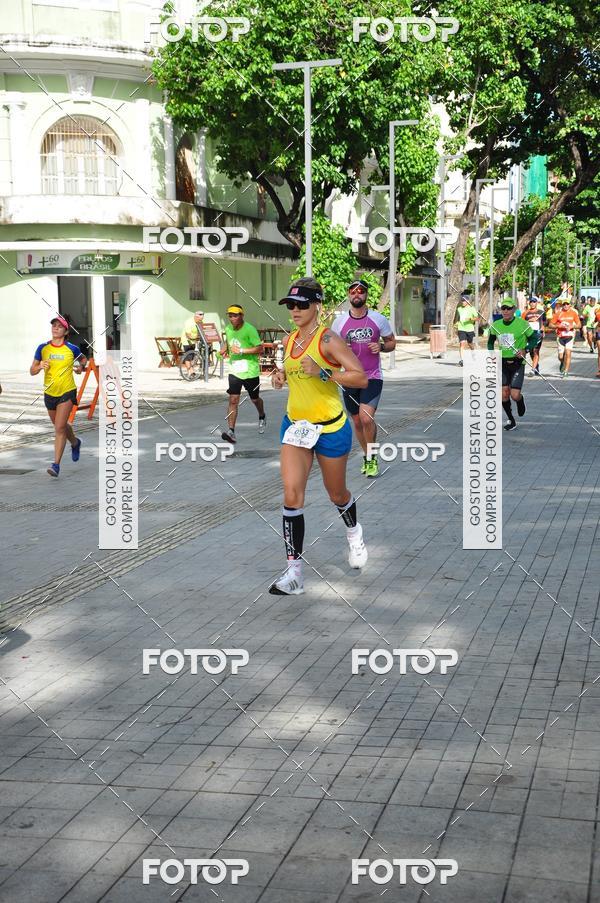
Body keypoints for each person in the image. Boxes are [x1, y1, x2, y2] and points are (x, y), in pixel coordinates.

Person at [269, 277, 369, 595]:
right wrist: (280, 376)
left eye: (301, 305)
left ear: (317, 306)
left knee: (336, 494)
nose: (295, 310)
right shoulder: (289, 340)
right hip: (296, 427)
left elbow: (360, 378)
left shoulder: (328, 340)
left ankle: (354, 533)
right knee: (291, 495)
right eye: (290, 305)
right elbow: (292, 373)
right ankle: (294, 574)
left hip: (329, 428)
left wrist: (325, 372)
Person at [330, 279, 395, 477]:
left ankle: (373, 457)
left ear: (366, 295)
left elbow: (392, 342)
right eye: (353, 291)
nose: (356, 294)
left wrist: (381, 346)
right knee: (357, 421)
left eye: (360, 291)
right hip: (349, 377)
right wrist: (341, 351)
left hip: (372, 376)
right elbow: (330, 349)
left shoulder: (378, 319)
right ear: (348, 295)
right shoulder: (339, 322)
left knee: (366, 418)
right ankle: (367, 456)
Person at [30, 315, 87, 477]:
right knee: (60, 425)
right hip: (49, 393)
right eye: (53, 325)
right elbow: (32, 371)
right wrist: (40, 366)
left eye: (59, 326)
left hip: (67, 391)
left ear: (66, 331)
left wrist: (79, 367)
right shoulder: (43, 348)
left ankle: (56, 465)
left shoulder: (72, 348)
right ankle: (75, 442)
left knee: (59, 428)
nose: (55, 328)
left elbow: (83, 360)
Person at [486, 299, 537, 431]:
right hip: (502, 362)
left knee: (514, 395)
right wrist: (491, 353)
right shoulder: (496, 325)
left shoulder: (522, 324)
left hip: (517, 363)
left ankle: (520, 400)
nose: (506, 311)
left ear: (514, 309)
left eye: (509, 308)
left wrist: (525, 350)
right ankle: (511, 420)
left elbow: (534, 339)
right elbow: (490, 342)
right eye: (503, 308)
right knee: (504, 394)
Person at [220, 305, 265, 442]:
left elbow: (260, 348)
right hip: (234, 370)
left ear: (242, 316)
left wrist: (241, 351)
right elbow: (228, 343)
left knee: (255, 399)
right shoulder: (228, 329)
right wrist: (223, 350)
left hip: (250, 371)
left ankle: (262, 415)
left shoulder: (250, 329)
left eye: (235, 315)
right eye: (230, 316)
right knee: (233, 399)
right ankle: (231, 431)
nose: (232, 318)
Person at [549, 297, 581, 377]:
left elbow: (579, 325)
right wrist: (558, 326)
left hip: (570, 336)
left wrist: (571, 326)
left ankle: (566, 371)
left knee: (568, 353)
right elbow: (550, 325)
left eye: (567, 304)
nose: (566, 305)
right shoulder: (558, 313)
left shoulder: (573, 313)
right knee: (560, 356)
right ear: (562, 305)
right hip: (560, 336)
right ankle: (562, 362)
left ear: (570, 305)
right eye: (564, 304)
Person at [454, 289, 481, 366]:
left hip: (470, 329)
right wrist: (455, 326)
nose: (462, 302)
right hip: (461, 328)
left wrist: (470, 319)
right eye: (462, 300)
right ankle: (462, 360)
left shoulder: (472, 309)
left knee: (470, 344)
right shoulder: (459, 309)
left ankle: (473, 353)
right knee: (462, 343)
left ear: (468, 301)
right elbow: (457, 319)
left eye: (464, 301)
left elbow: (477, 318)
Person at [521, 295, 545, 375]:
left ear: (536, 303)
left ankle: (533, 369)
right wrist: (529, 321)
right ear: (529, 303)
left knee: (535, 350)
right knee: (530, 350)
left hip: (538, 333)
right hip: (529, 334)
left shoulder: (541, 312)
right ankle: (536, 365)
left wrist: (543, 329)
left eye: (534, 302)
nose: (532, 303)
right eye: (531, 302)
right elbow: (522, 323)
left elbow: (545, 322)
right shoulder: (525, 313)